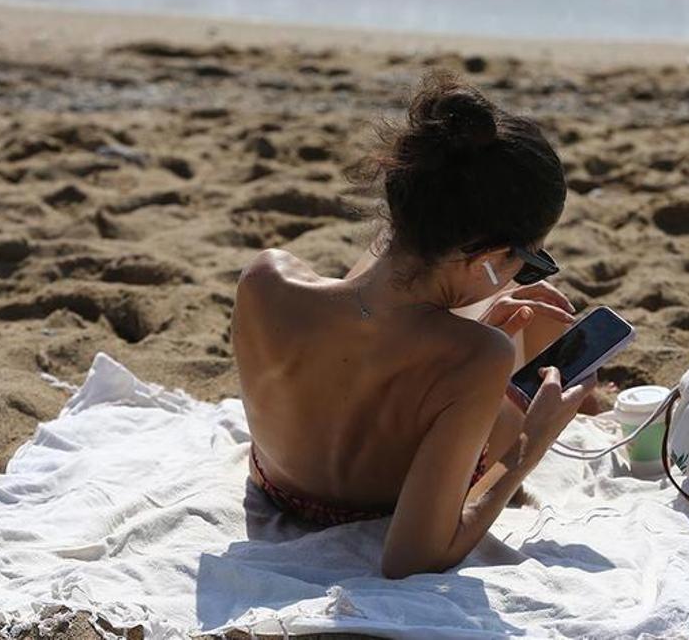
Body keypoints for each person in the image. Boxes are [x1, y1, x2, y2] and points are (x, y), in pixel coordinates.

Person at [231, 69, 603, 579]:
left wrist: (468, 332)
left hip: (276, 487)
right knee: (537, 343)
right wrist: (528, 446)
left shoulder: (263, 280)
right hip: (377, 505)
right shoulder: (479, 357)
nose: (523, 277)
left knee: (400, 279)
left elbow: (358, 352)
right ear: (490, 259)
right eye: (528, 264)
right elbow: (411, 558)